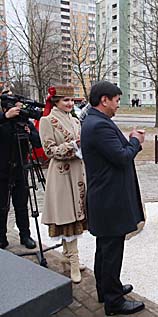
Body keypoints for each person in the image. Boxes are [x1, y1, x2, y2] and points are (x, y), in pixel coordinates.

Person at [81, 81, 145, 315]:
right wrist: (136, 142)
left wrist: (128, 140)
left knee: (105, 248)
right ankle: (114, 302)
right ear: (104, 100)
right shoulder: (98, 125)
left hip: (106, 196)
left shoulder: (96, 121)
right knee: (111, 250)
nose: (118, 104)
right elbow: (121, 157)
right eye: (116, 100)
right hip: (109, 199)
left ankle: (107, 288)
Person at [39, 86, 87, 283]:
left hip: (78, 172)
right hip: (61, 174)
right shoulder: (47, 121)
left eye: (71, 100)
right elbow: (49, 151)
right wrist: (73, 145)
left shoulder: (76, 120)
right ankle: (74, 262)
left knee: (76, 213)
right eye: (65, 100)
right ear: (56, 101)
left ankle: (69, 256)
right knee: (67, 215)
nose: (70, 103)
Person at [0, 100, 40, 250]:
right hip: (2, 171)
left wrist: (30, 134)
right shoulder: (2, 122)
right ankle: (1, 237)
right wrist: (5, 117)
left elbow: (38, 143)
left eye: (19, 106)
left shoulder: (25, 123)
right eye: (14, 106)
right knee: (2, 206)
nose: (18, 109)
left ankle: (25, 235)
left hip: (20, 170)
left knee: (22, 204)